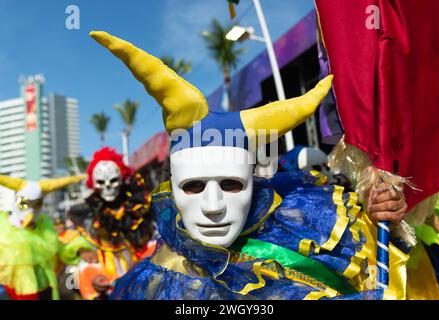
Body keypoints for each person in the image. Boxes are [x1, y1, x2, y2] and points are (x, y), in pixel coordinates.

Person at [90, 31, 409, 300]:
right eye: (193, 186)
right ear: (172, 190)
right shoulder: (154, 285)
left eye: (230, 184)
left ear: (252, 182)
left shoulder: (299, 223)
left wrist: (386, 221)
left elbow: (387, 272)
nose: (213, 207)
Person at [64, 147, 155, 300]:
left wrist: (142, 264)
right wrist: (83, 254)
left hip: (144, 276)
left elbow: (158, 241)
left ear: (121, 179)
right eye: (101, 182)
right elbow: (73, 251)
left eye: (113, 181)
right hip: (105, 278)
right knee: (74, 275)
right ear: (94, 184)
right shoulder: (87, 213)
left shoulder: (139, 207)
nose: (107, 187)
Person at [0, 175, 85, 300]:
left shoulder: (47, 232)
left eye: (37, 205)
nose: (30, 210)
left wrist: (81, 250)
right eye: (24, 203)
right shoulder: (4, 231)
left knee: (73, 270)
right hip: (10, 289)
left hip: (47, 286)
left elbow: (66, 255)